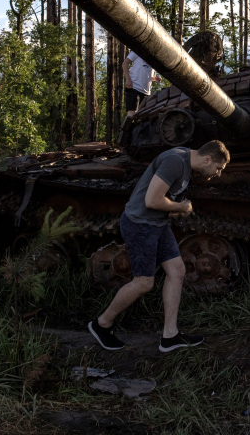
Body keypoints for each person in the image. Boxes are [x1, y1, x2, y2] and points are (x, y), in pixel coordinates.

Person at [89, 140, 231, 352]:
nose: (218, 173)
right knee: (144, 283)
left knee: (177, 270)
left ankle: (170, 336)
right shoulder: (175, 161)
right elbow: (152, 200)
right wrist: (182, 206)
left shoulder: (187, 163)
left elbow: (161, 199)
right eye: (218, 168)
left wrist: (172, 208)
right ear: (207, 159)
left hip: (157, 223)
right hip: (140, 224)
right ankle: (102, 324)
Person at [123, 50, 162, 116]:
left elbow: (151, 76)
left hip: (146, 91)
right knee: (132, 114)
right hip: (133, 86)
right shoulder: (138, 50)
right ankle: (128, 126)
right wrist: (128, 79)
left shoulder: (154, 57)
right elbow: (125, 63)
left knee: (142, 116)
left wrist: (156, 78)